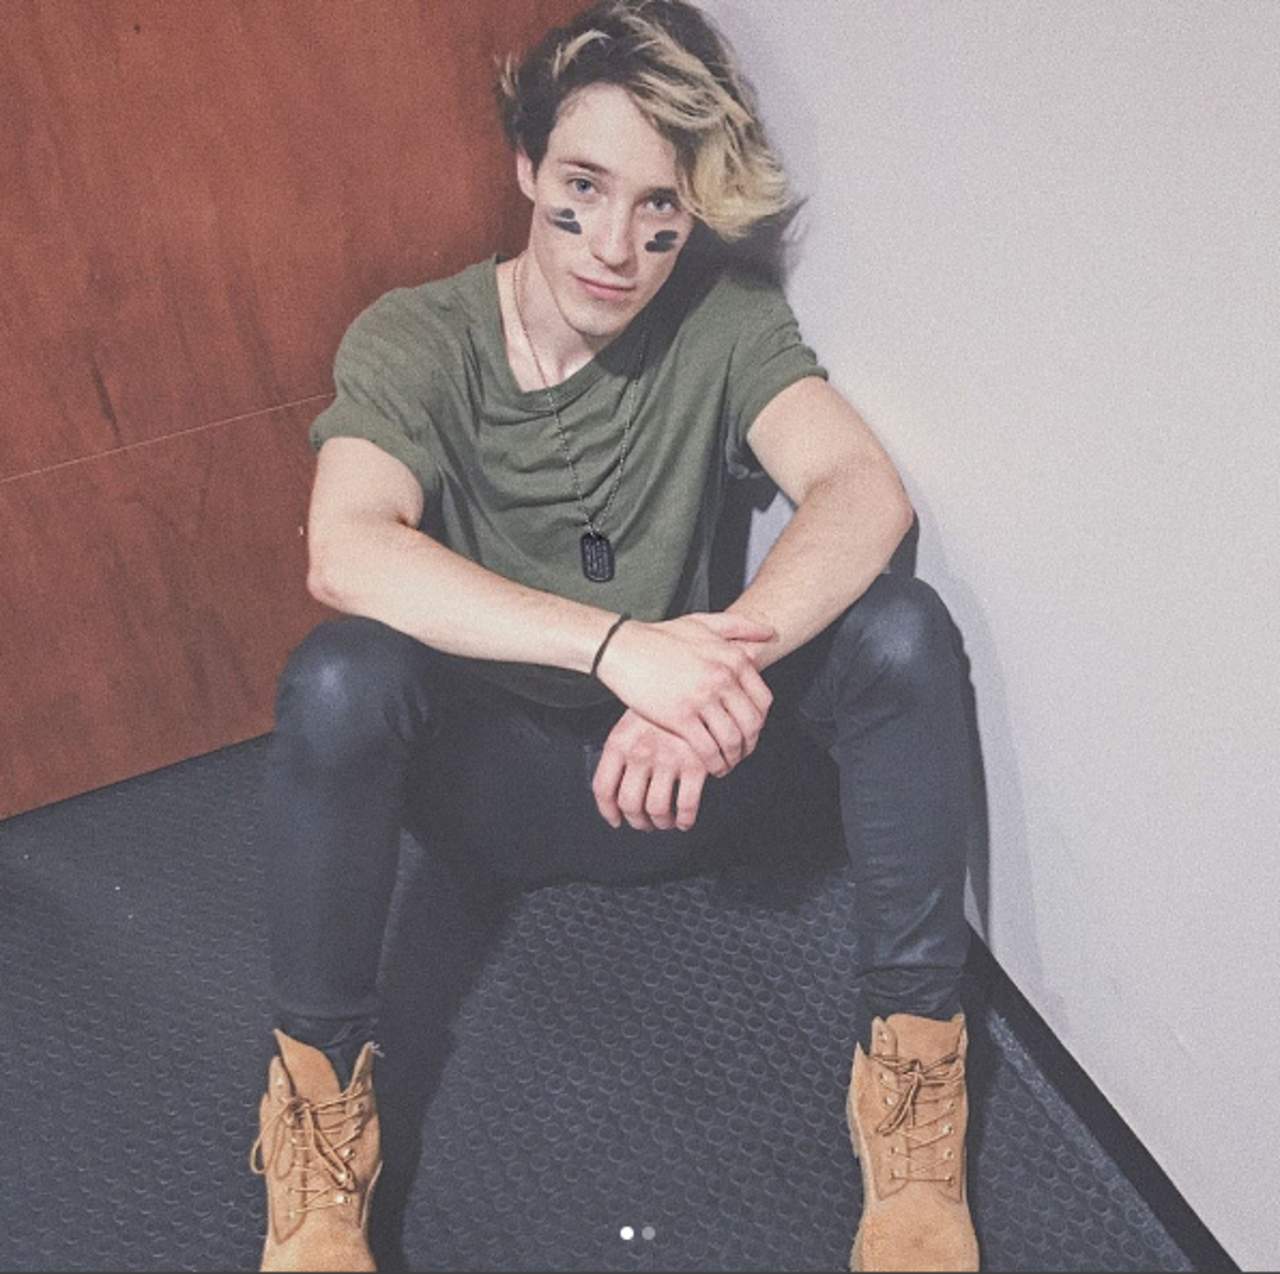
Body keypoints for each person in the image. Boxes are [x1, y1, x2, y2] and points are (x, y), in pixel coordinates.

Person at [247, 2, 981, 1270]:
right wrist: (615, 646)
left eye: (660, 207)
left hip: (690, 778)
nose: (616, 246)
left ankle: (914, 1083)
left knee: (902, 631)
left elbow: (860, 488)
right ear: (525, 167)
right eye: (582, 189)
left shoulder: (722, 321)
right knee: (336, 676)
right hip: (495, 796)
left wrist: (705, 663)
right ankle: (317, 1123)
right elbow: (345, 546)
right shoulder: (416, 334)